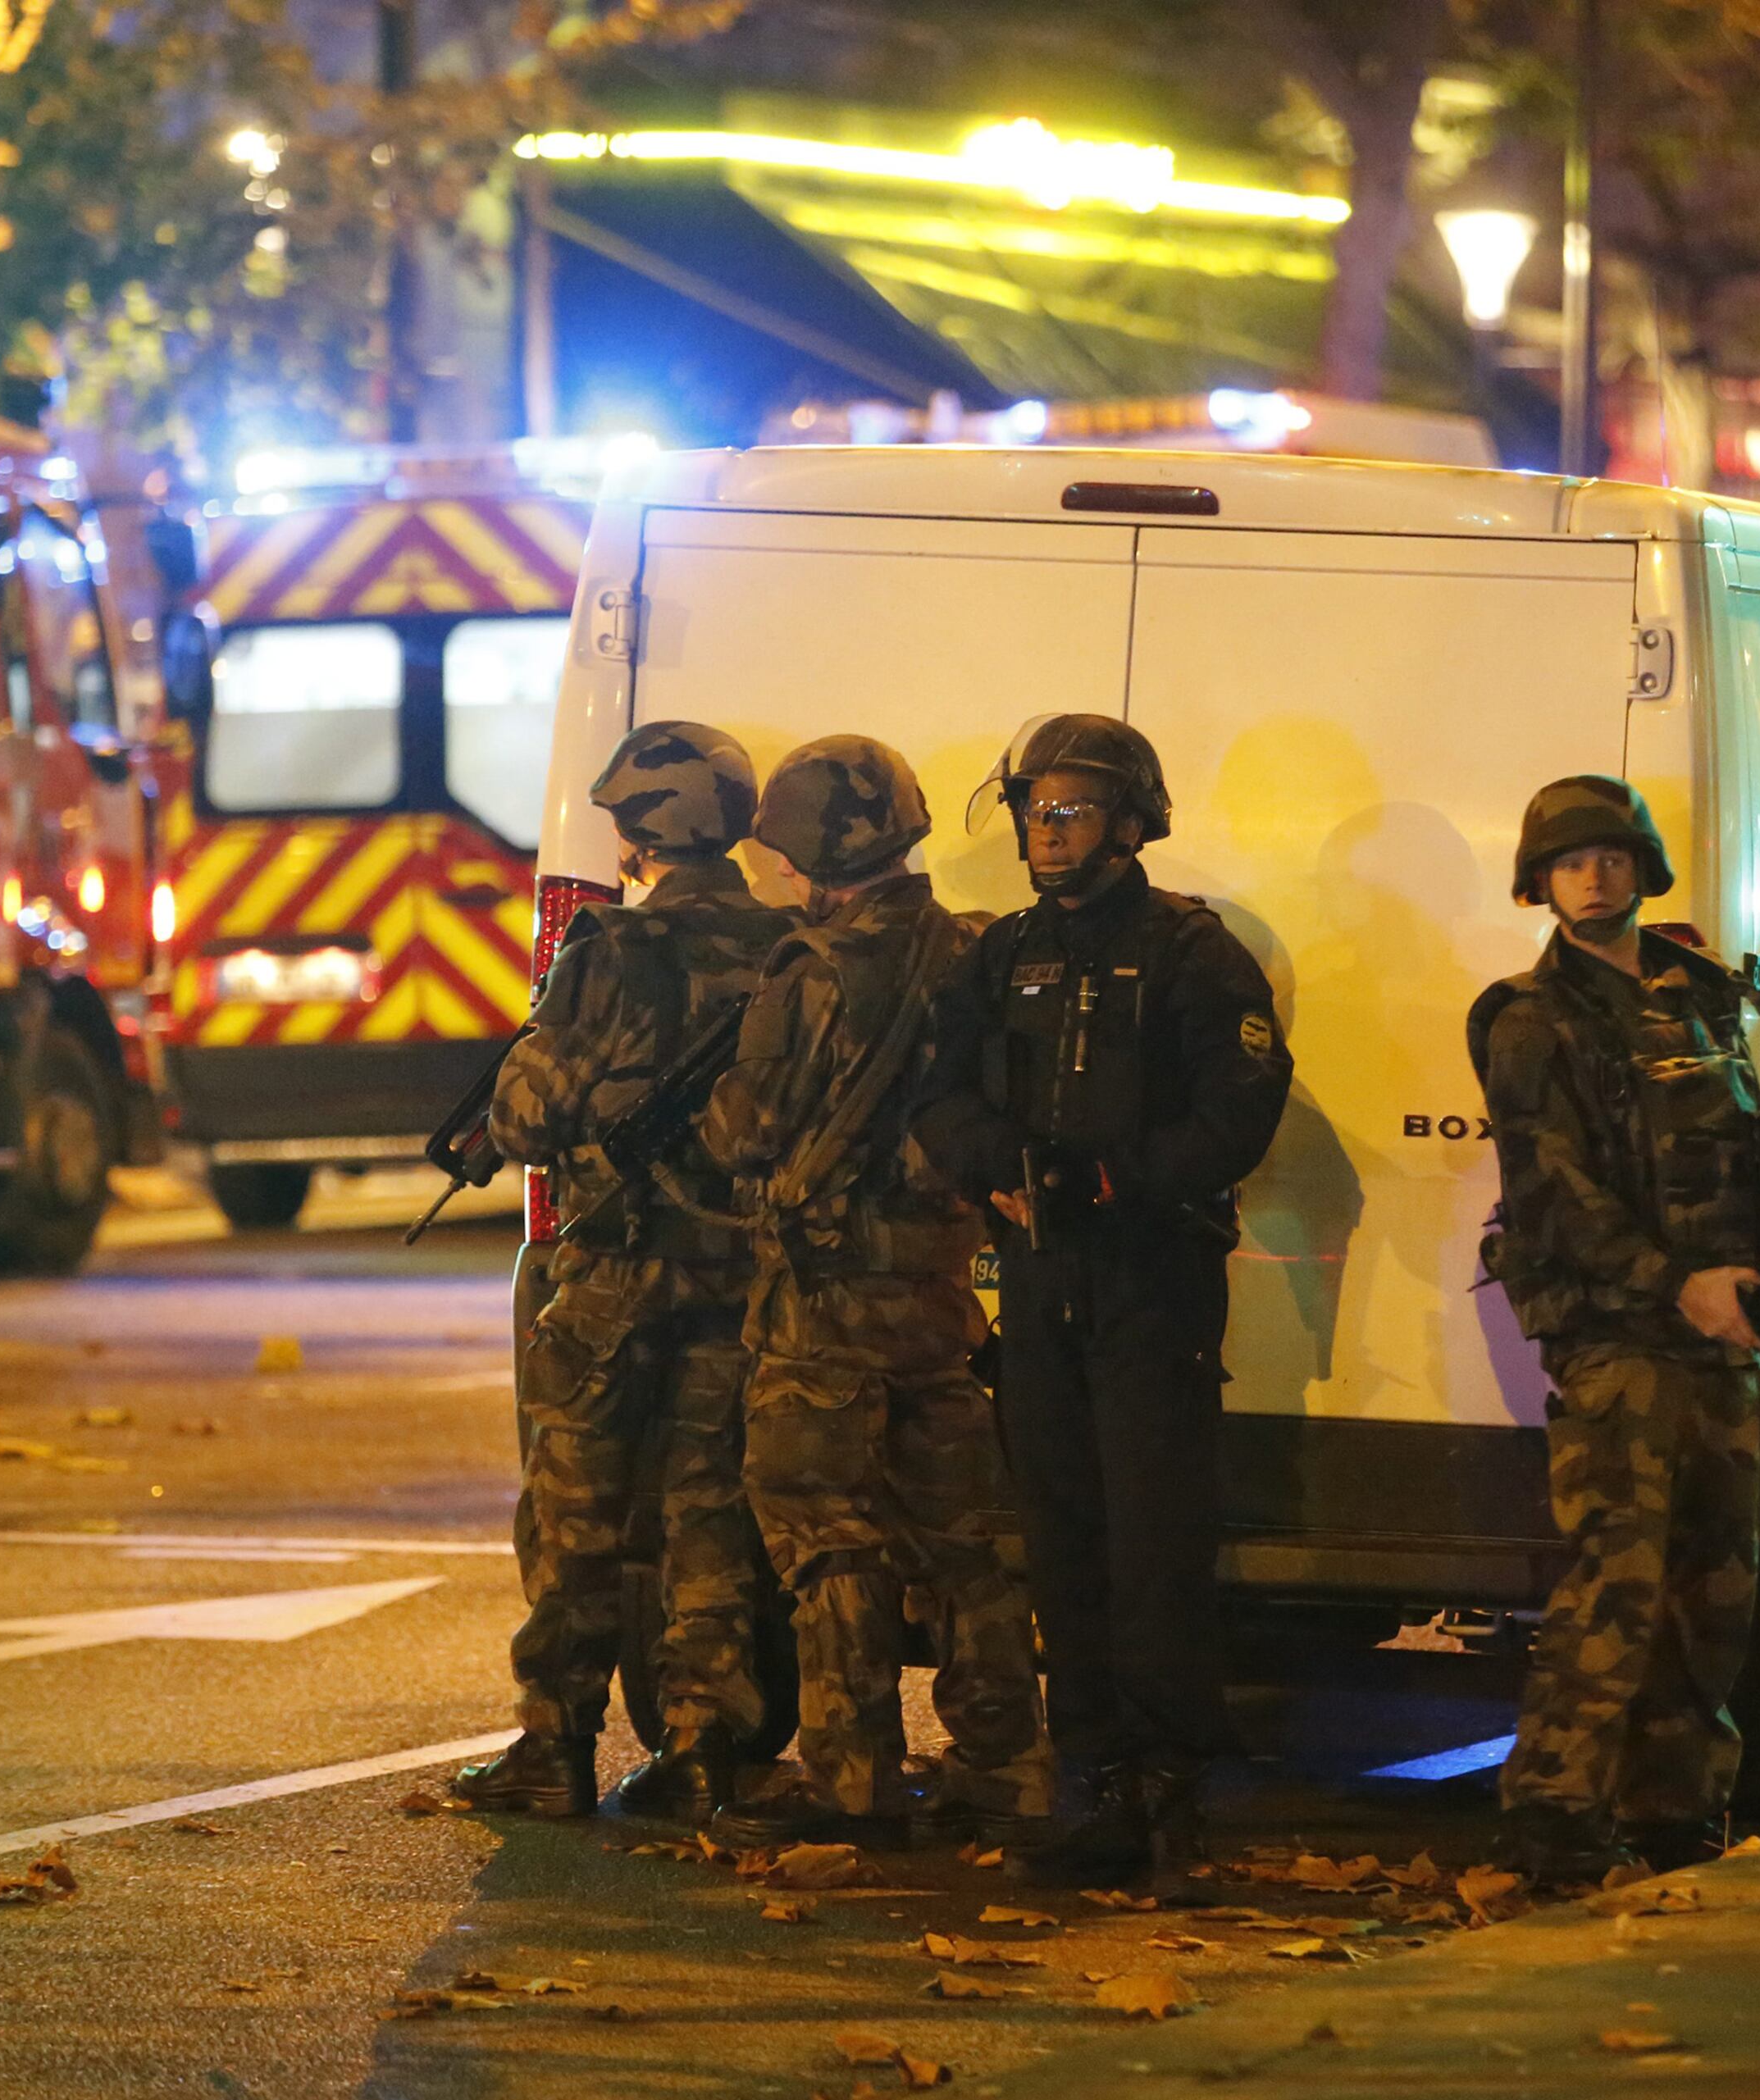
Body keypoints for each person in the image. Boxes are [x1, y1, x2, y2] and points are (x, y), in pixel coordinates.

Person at [914, 714, 1291, 1886]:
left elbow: (1239, 1109)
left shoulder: (1192, 951)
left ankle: (1169, 1792)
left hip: (1148, 1280)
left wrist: (1115, 1179)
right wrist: (1001, 1170)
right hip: (1037, 1282)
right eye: (1035, 809)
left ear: (1131, 825)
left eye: (1071, 809)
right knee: (1062, 1541)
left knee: (1153, 1542)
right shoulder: (1003, 953)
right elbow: (940, 1091)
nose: (1046, 827)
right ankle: (1094, 1779)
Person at [698, 736, 1051, 1847]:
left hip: (824, 1303)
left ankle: (851, 1773)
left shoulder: (813, 970)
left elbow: (744, 1133)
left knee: (826, 1536)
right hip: (938, 1293)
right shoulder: (971, 951)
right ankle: (1006, 1760)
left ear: (811, 851)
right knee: (969, 1541)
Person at [451, 722, 787, 1824]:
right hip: (736, 1276)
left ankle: (555, 1746)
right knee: (709, 1512)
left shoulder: (607, 947)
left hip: (614, 1280)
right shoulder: (786, 947)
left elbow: (529, 1109)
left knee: (574, 1518)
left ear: (644, 828)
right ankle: (699, 1746)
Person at [1468, 775, 1760, 1884]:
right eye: (1570, 859)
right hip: (1616, 1336)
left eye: (1611, 853)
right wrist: (1673, 1281)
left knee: (1717, 1583)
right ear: (1538, 882)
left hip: (1717, 1334)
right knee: (1618, 1578)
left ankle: (1675, 1804)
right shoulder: (1529, 1021)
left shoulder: (1703, 995)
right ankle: (1555, 1806)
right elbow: (1559, 1192)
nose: (1595, 874)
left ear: (1642, 864)